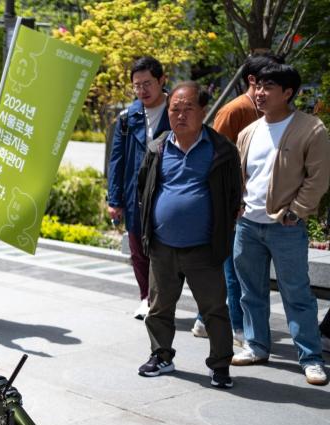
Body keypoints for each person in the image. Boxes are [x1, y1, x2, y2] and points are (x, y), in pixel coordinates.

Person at [136, 82, 243, 388]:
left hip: (203, 248)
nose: (180, 115)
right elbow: (144, 187)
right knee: (158, 307)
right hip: (162, 245)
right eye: (175, 109)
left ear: (203, 112)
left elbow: (233, 193)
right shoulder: (158, 147)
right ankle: (161, 355)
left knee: (214, 310)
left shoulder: (221, 149)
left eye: (188, 109)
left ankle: (220, 364)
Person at [231, 63, 330, 386]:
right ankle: (256, 345)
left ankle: (311, 358)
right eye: (258, 86)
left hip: (285, 226)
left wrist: (296, 211)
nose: (259, 93)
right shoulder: (249, 131)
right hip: (248, 224)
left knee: (297, 292)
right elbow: (239, 175)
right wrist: (237, 206)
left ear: (288, 93)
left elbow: (318, 178)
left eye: (268, 87)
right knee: (250, 291)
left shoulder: (311, 129)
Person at [195, 54, 283, 345]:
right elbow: (208, 156)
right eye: (268, 81)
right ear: (253, 81)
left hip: (256, 205)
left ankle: (204, 319)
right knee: (233, 270)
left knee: (235, 268)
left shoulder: (273, 113)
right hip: (232, 204)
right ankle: (237, 329)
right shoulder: (235, 111)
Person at [107, 56, 171, 320]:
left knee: (166, 250)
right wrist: (114, 199)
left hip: (167, 191)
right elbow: (117, 160)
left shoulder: (176, 110)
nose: (142, 90)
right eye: (137, 85)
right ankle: (146, 297)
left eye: (147, 83)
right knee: (137, 249)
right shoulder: (128, 117)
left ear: (162, 81)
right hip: (136, 193)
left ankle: (164, 298)